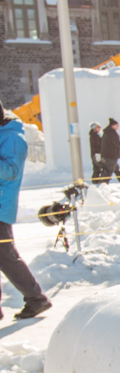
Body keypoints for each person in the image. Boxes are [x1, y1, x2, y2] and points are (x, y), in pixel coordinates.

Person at [0, 108, 52, 320]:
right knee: (5, 257)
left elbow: (11, 171)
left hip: (1, 206)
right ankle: (35, 298)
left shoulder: (13, 137)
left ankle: (36, 299)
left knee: (7, 257)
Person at [99, 118, 120, 185]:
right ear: (113, 125)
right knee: (108, 172)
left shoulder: (106, 132)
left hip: (108, 155)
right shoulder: (112, 133)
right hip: (111, 155)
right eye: (117, 125)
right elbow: (116, 143)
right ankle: (103, 185)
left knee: (117, 170)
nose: (118, 127)